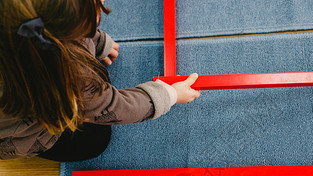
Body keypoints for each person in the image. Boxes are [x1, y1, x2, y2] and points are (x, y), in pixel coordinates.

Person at [0, 0, 200, 161]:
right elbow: (115, 106)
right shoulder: (74, 77)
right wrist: (170, 94)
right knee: (95, 140)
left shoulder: (18, 23)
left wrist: (99, 42)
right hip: (27, 136)